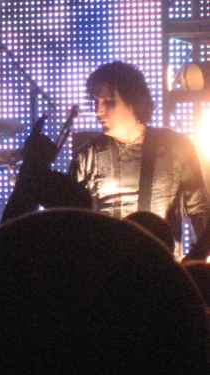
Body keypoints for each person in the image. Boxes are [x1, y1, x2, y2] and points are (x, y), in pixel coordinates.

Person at [69, 61, 210, 257]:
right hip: (107, 275)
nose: (98, 110)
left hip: (164, 274)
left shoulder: (176, 147)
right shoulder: (87, 155)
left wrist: (192, 266)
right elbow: (72, 224)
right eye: (96, 101)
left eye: (108, 101)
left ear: (133, 101)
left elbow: (201, 213)